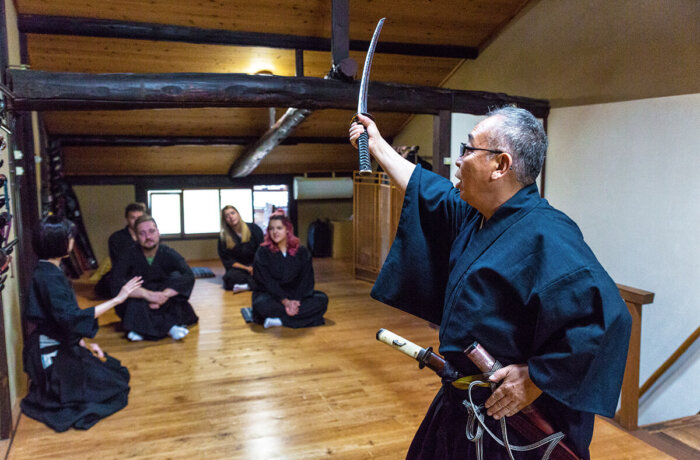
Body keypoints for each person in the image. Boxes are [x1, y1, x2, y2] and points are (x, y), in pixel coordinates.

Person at [349, 107, 632, 459]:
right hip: (464, 400)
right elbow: (428, 191)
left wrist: (536, 378)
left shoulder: (548, 235)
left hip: (512, 418)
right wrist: (377, 145)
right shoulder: (478, 216)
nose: (458, 160)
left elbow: (609, 319)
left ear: (500, 165)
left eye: (468, 149)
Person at [21, 215, 143, 432]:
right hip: (49, 351)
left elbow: (64, 320)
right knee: (109, 390)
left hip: (61, 340)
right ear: (57, 242)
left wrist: (82, 343)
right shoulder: (48, 276)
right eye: (69, 237)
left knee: (114, 374)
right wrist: (118, 299)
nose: (72, 241)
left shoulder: (49, 269)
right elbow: (70, 319)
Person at [110, 215, 199, 341]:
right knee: (134, 304)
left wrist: (164, 295)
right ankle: (170, 328)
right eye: (142, 233)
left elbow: (188, 275)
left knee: (177, 293)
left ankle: (140, 329)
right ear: (136, 236)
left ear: (158, 232)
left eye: (151, 231)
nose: (148, 237)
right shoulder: (128, 255)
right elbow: (115, 282)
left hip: (163, 297)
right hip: (140, 298)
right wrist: (147, 295)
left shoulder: (167, 252)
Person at [251, 212, 328, 328]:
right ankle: (303, 319)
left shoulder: (301, 251)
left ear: (287, 229)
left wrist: (296, 301)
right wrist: (285, 301)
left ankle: (281, 321)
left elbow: (306, 279)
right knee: (260, 305)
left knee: (322, 299)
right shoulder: (262, 251)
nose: (275, 232)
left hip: (295, 294)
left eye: (279, 228)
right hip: (272, 295)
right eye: (271, 229)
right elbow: (266, 281)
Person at [94, 202, 146, 299]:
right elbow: (118, 264)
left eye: (139, 218)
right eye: (133, 218)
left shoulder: (150, 236)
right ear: (127, 218)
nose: (136, 221)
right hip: (125, 275)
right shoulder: (116, 238)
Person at [218, 205, 263, 293]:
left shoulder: (254, 229)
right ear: (225, 220)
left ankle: (247, 286)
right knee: (229, 278)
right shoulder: (223, 238)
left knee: (267, 273)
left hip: (256, 265)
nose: (231, 217)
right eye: (227, 216)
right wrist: (247, 268)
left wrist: (254, 267)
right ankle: (254, 284)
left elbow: (262, 251)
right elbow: (228, 260)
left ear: (238, 214)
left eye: (232, 213)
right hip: (240, 268)